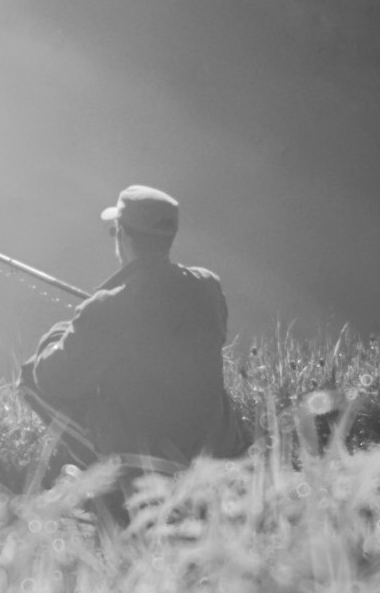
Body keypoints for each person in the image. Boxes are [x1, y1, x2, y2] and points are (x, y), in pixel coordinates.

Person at [18, 185, 249, 473]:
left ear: (124, 235)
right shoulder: (208, 286)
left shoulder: (107, 308)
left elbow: (51, 379)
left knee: (29, 377)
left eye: (115, 231)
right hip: (220, 444)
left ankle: (111, 476)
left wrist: (56, 335)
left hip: (155, 454)